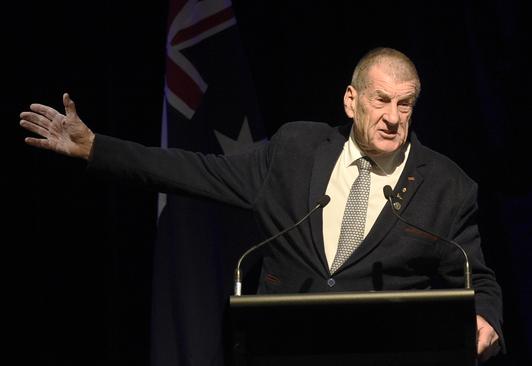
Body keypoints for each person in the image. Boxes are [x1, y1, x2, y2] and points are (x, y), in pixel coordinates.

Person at [19, 47, 503, 361]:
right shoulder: (294, 151)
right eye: (381, 101)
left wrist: (486, 319)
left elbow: (476, 277)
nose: (394, 119)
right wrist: (95, 147)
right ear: (351, 100)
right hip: (279, 352)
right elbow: (199, 171)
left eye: (406, 104)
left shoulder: (446, 185)